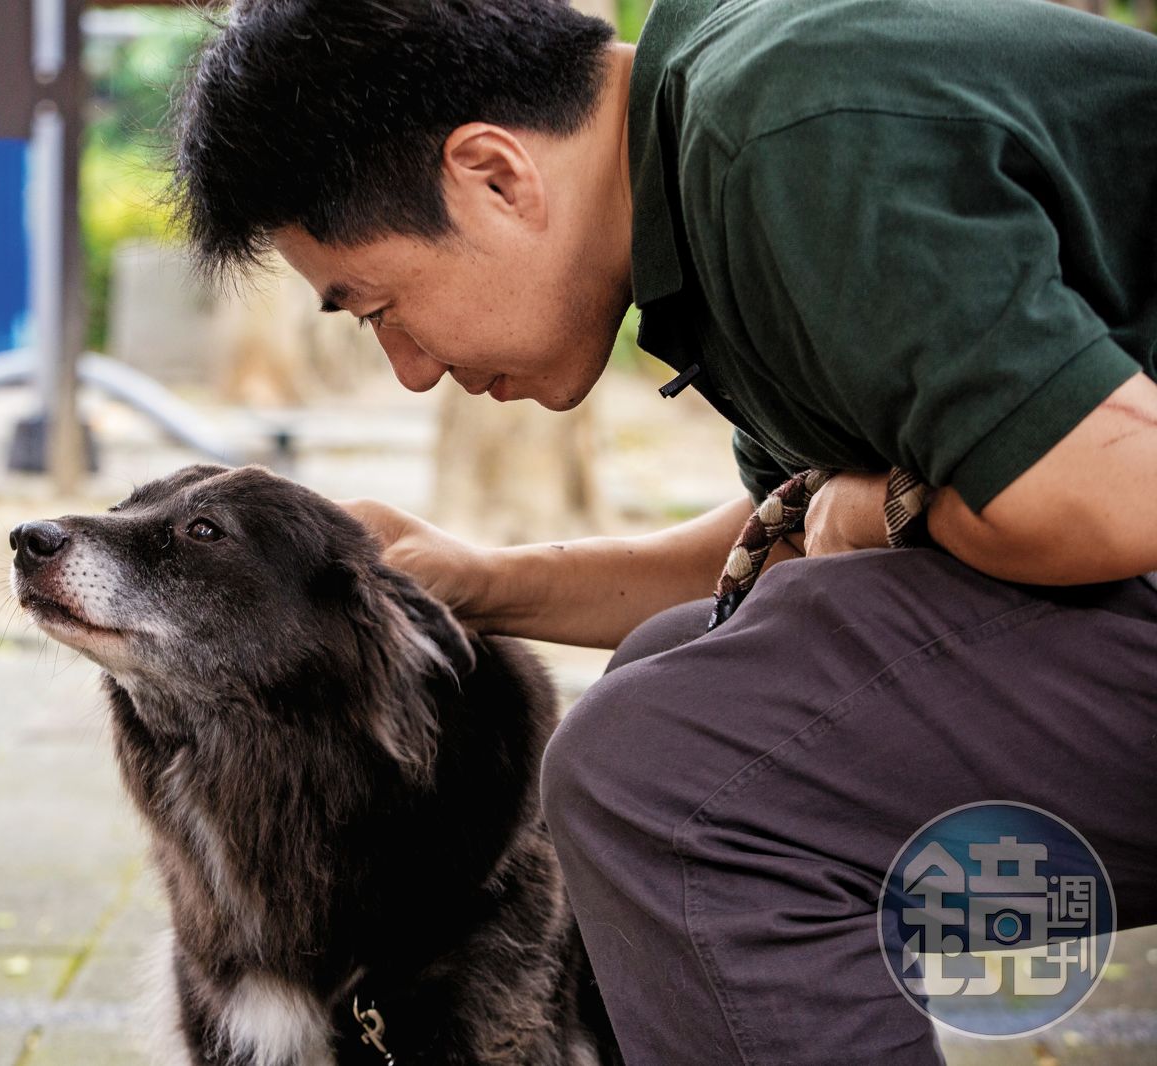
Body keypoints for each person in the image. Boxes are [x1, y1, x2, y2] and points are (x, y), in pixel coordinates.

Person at [166, 0, 1157, 1061]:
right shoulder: (706, 157)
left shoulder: (791, 133)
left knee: (664, 782)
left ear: (494, 174)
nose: (407, 369)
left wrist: (877, 506)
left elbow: (1117, 494)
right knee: (680, 666)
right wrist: (476, 579)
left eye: (379, 308)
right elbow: (772, 548)